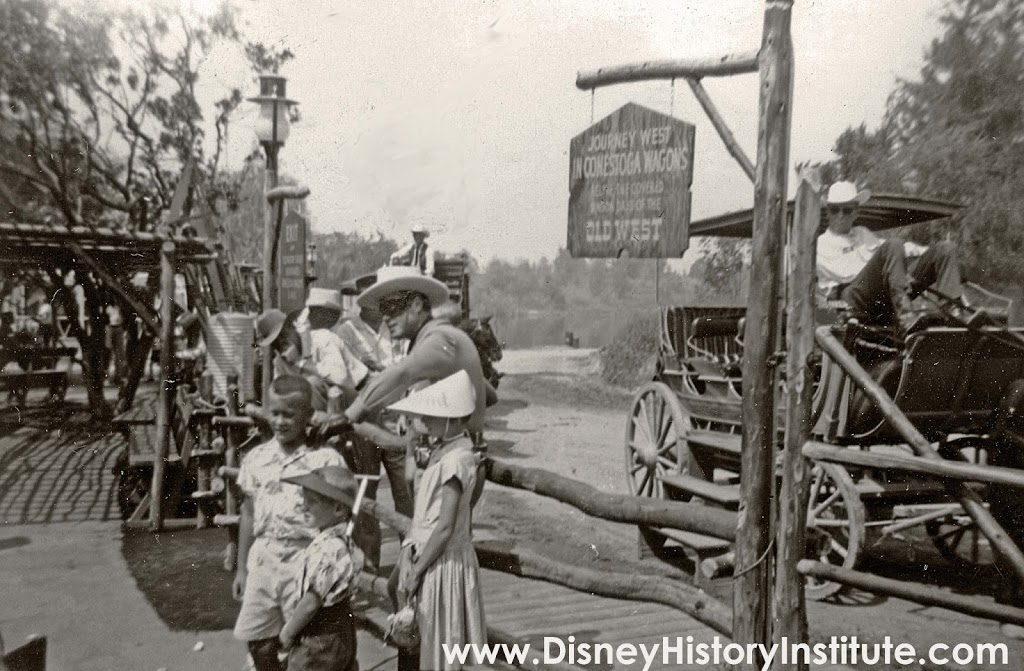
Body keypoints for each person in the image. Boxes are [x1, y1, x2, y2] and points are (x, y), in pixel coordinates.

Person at [232, 375, 351, 671]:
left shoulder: (324, 459)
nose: (281, 421)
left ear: (308, 416)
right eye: (274, 413)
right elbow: (248, 512)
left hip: (304, 559)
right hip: (264, 557)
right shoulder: (256, 459)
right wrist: (241, 567)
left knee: (301, 637)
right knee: (259, 636)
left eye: (289, 414)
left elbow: (346, 509)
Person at [389, 370, 486, 671]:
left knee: (441, 642)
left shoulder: (458, 460)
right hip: (424, 553)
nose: (425, 420)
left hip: (441, 562)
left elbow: (445, 527)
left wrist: (418, 570)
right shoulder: (440, 452)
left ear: (456, 419)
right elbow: (421, 513)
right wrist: (408, 551)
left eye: (433, 415)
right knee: (415, 630)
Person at [816, 181, 966, 335]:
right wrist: (891, 268)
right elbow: (845, 273)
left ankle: (954, 312)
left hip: (887, 291)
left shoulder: (862, 233)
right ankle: (905, 315)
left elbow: (895, 248)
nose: (840, 215)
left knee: (945, 249)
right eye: (835, 210)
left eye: (846, 210)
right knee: (893, 246)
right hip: (851, 298)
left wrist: (927, 253)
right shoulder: (821, 244)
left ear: (855, 212)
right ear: (828, 212)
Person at [278, 465, 362, 671]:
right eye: (304, 500)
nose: (303, 506)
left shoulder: (325, 548)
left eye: (312, 502)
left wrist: (289, 632)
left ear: (338, 509)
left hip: (319, 632)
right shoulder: (345, 541)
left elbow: (310, 603)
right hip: (342, 627)